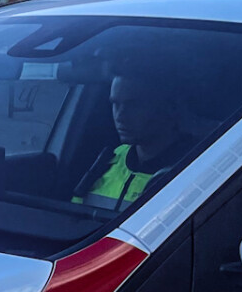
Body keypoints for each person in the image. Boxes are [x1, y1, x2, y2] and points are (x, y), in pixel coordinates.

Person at [74, 74, 189, 211]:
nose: (120, 116)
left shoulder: (191, 169)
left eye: (134, 105)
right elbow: (73, 217)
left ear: (169, 108)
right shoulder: (107, 159)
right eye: (115, 104)